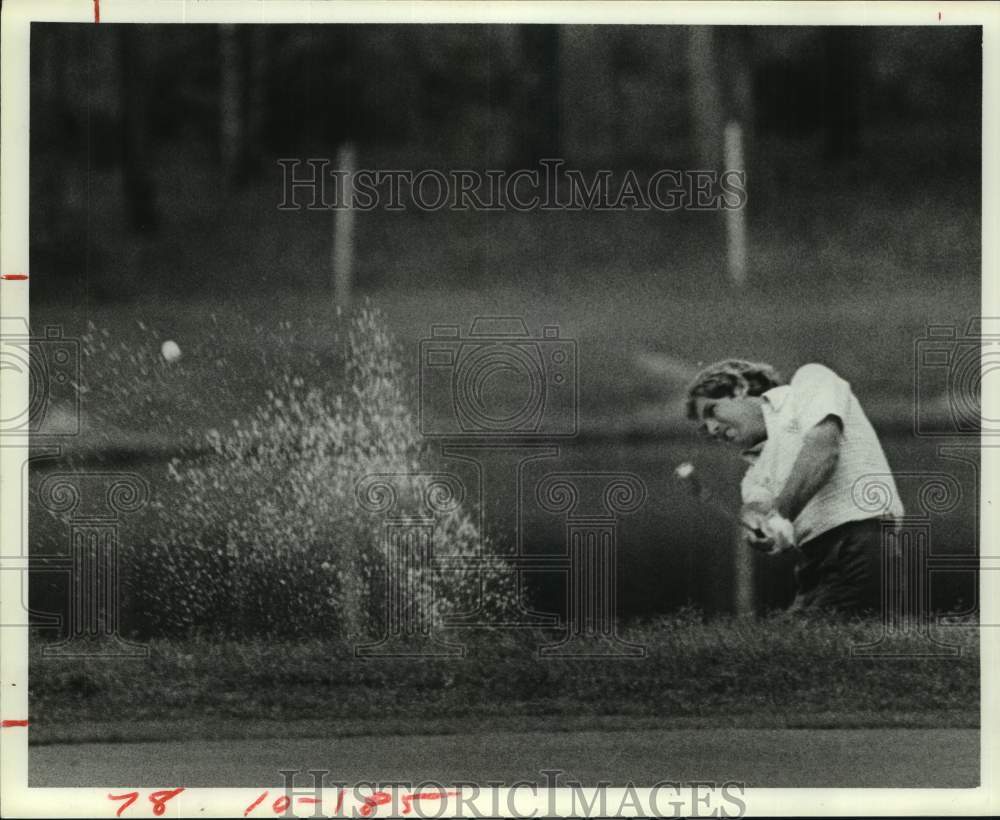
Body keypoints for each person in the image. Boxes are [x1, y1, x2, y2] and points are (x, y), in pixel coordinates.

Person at [685, 359, 903, 614]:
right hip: (813, 566)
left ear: (739, 388)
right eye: (704, 428)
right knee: (782, 646)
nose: (712, 429)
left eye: (712, 411)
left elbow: (823, 450)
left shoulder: (810, 380)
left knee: (808, 647)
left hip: (861, 545)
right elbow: (758, 507)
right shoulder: (754, 474)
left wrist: (779, 514)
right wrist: (758, 527)